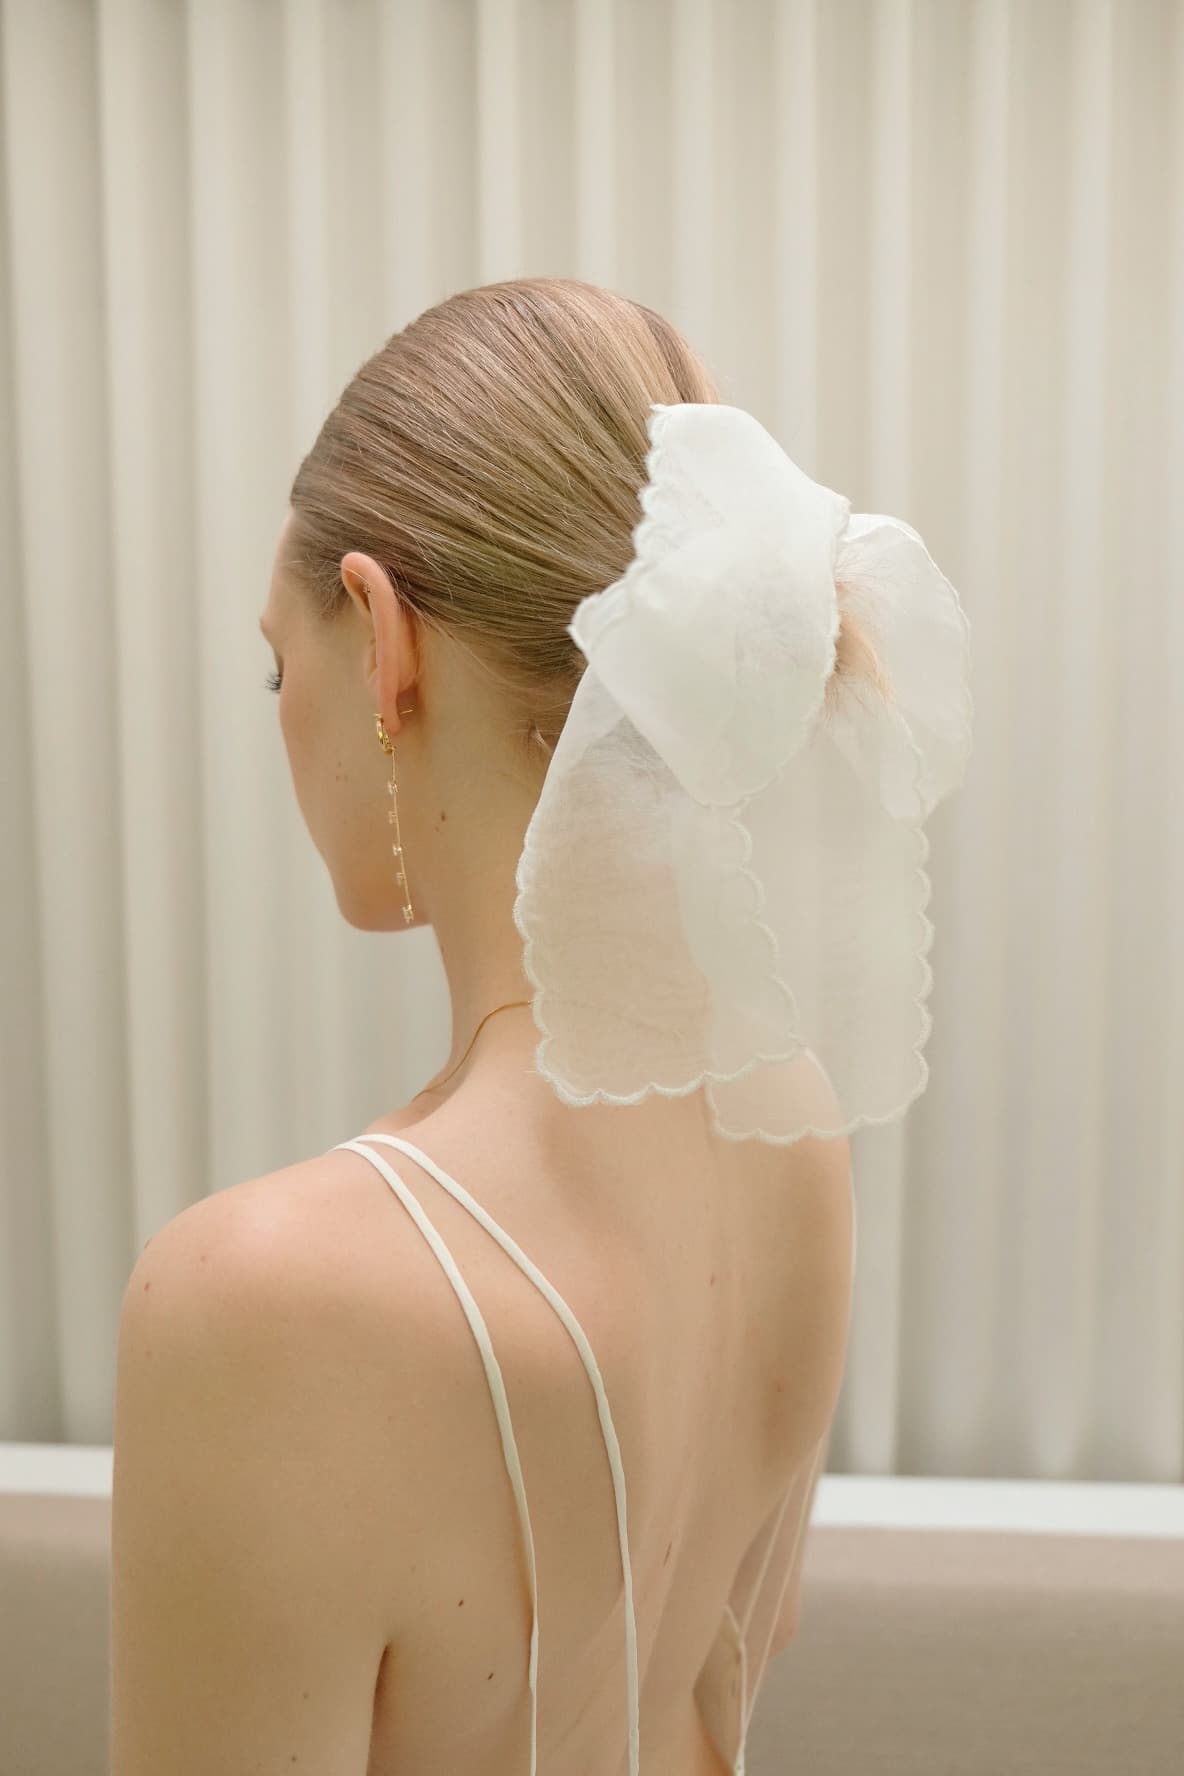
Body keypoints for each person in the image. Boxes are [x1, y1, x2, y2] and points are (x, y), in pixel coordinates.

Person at [112, 276, 969, 1776]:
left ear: (381, 640)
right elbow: (720, 1695)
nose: (280, 712)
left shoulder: (261, 1302)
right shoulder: (790, 1133)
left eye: (277, 659)